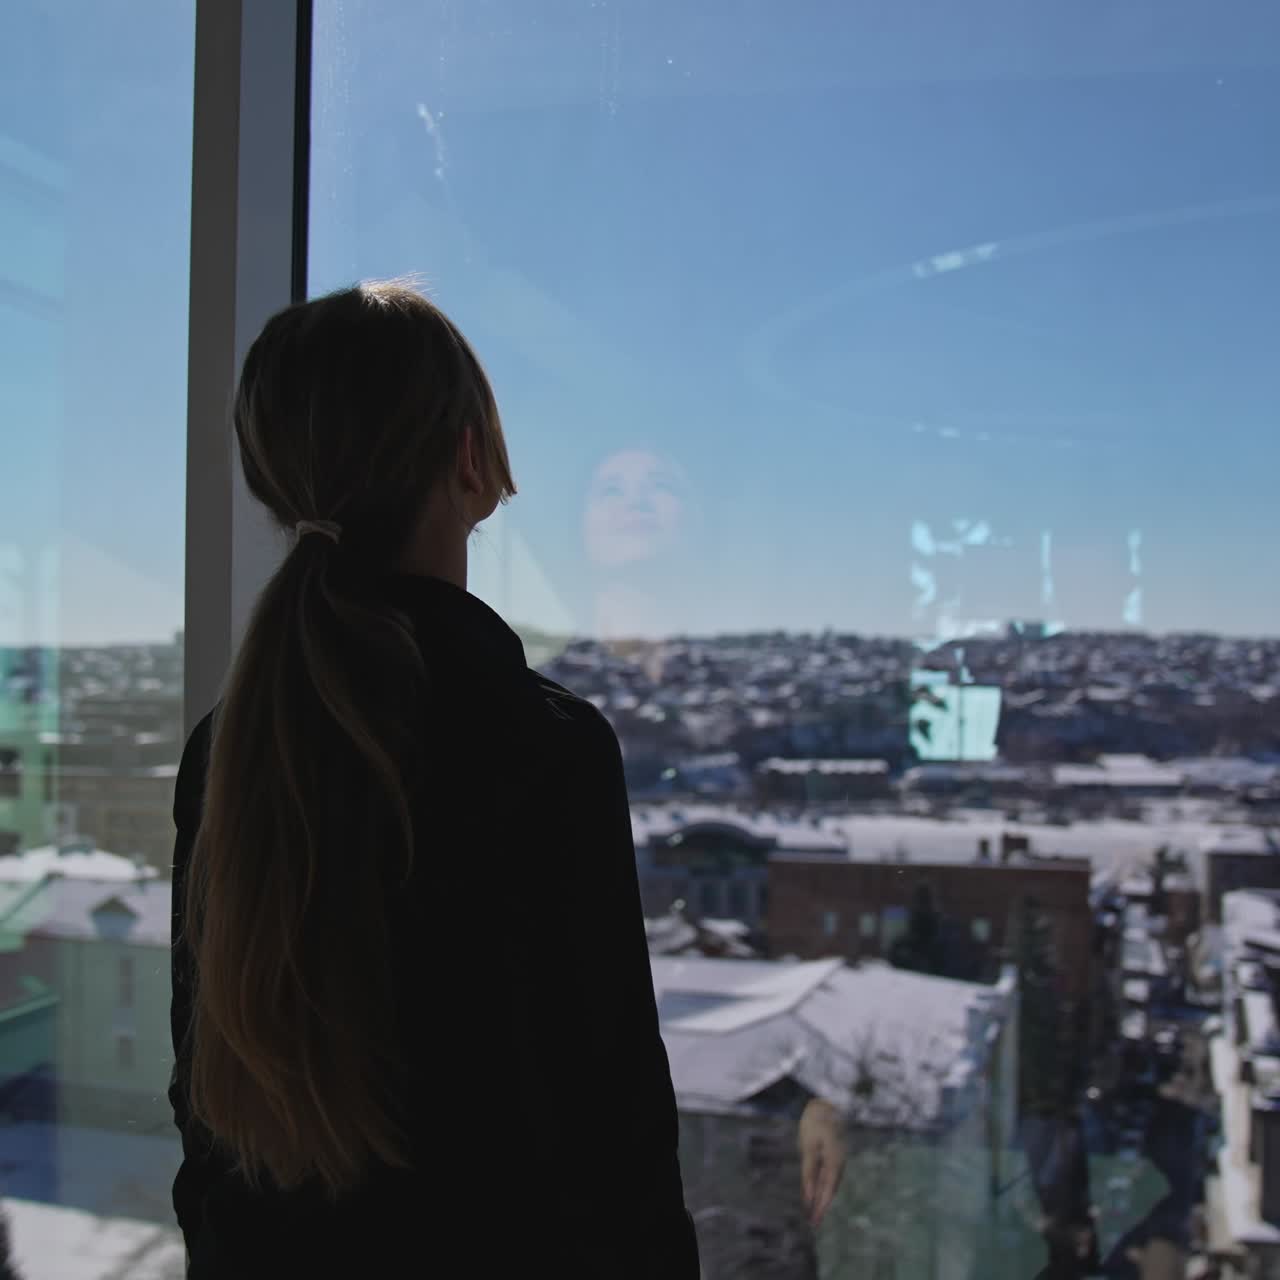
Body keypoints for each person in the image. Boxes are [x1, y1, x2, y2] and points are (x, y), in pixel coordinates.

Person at [167, 282, 700, 1278]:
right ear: (469, 457)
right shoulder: (544, 745)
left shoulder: (226, 751)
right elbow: (614, 1127)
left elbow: (204, 1115)